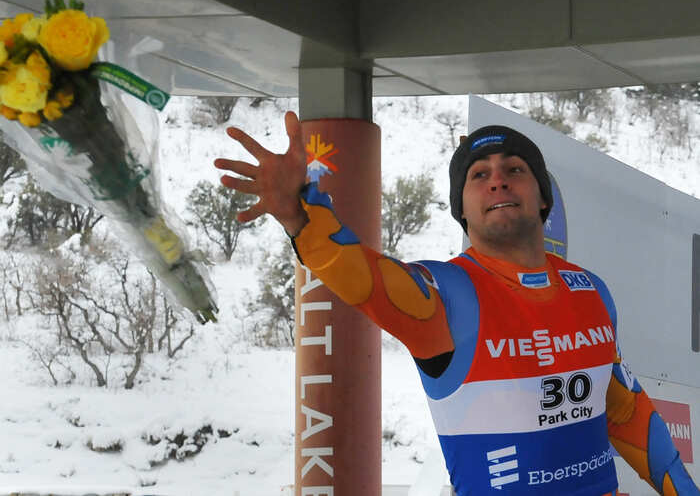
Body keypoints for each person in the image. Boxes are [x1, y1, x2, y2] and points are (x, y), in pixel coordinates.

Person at [214, 111, 700, 496]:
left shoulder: (590, 290)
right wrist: (301, 211)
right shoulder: (445, 294)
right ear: (461, 209)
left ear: (543, 199)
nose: (498, 180)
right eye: (479, 175)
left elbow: (623, 413)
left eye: (515, 169)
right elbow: (361, 275)